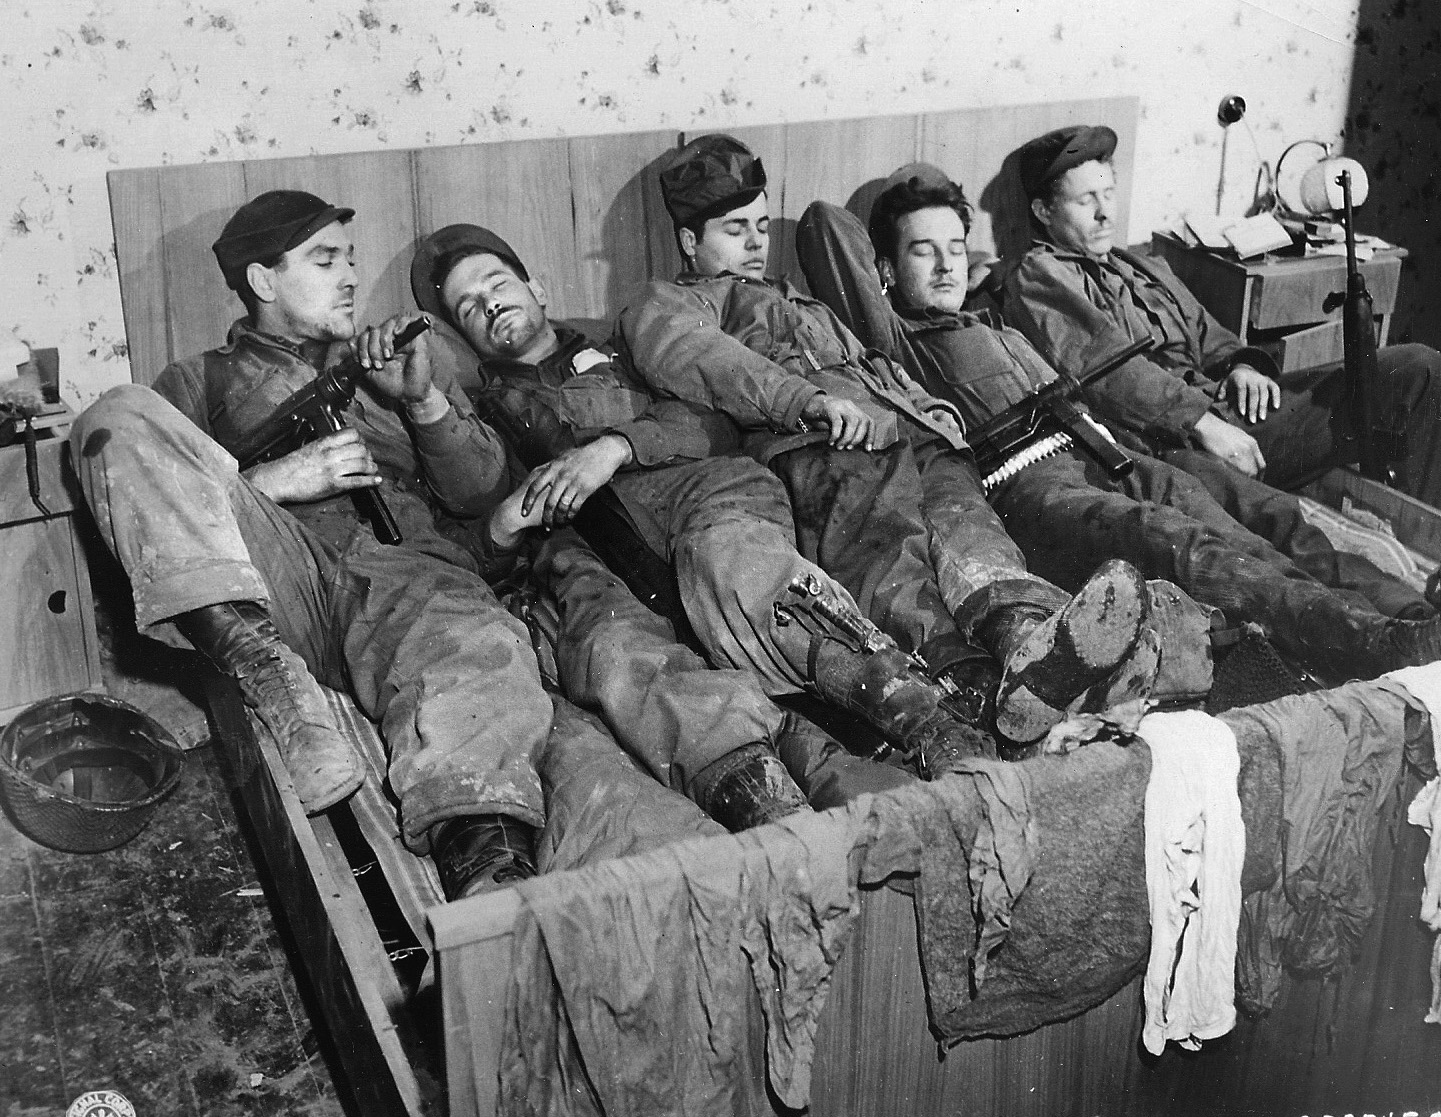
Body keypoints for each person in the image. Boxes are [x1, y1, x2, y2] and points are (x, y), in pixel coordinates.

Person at [70, 191, 785, 905]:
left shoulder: (395, 360)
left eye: (350, 261)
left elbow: (480, 496)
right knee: (112, 415)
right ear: (263, 281)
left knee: (474, 645)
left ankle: (492, 880)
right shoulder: (198, 381)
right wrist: (271, 483)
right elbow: (147, 491)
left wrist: (421, 401)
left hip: (406, 579)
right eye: (325, 262)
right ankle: (263, 670)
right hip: (282, 578)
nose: (349, 277)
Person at [613, 133, 1161, 745]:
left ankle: (1028, 640)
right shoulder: (670, 302)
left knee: (974, 539)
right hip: (823, 447)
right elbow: (700, 357)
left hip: (911, 435)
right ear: (690, 242)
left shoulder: (799, 300)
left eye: (763, 225)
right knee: (894, 565)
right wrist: (808, 402)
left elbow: (870, 357)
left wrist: (931, 410)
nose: (756, 242)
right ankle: (977, 690)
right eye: (734, 229)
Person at [793, 171, 1441, 682]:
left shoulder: (993, 313)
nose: (945, 267)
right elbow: (826, 225)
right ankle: (1359, 640)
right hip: (1029, 484)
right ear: (881, 269)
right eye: (921, 252)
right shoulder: (890, 341)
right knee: (1180, 541)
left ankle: (1407, 614)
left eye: (955, 248)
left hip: (1103, 447)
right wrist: (885, 270)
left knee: (1257, 514)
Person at [410, 222, 988, 775]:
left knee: (737, 567)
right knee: (647, 672)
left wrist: (617, 446)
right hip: (623, 585)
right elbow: (474, 501)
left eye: (497, 284)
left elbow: (716, 422)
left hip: (713, 505)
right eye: (468, 307)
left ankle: (929, 722)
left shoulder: (627, 350)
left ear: (536, 288)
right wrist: (451, 440)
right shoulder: (483, 418)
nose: (488, 305)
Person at [999, 124, 1441, 514]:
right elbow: (1107, 373)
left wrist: (1242, 366)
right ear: (1043, 212)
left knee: (1416, 367)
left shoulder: (1137, 263)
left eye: (1108, 194)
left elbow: (1208, 332)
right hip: (1177, 440)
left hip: (1221, 411)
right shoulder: (1041, 276)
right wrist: (1204, 424)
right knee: (1402, 390)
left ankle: (1423, 532)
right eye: (1085, 200)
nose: (1105, 212)